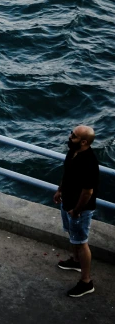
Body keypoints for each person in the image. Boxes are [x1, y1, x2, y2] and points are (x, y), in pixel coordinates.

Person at [53, 125, 99, 297]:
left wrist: (77, 211)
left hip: (79, 209)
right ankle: (75, 261)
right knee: (73, 236)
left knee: (81, 242)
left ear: (84, 141)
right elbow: (68, 174)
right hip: (68, 203)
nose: (69, 137)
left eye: (74, 136)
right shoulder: (73, 152)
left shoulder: (89, 162)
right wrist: (60, 190)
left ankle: (86, 282)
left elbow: (88, 192)